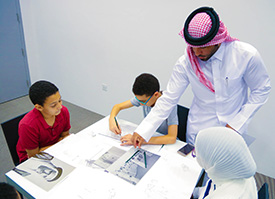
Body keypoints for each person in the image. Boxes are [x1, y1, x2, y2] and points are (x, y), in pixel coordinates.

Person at [131, 6, 271, 147]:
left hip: (233, 130)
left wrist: (237, 123)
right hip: (199, 129)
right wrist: (144, 130)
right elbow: (169, 99)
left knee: (225, 168)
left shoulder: (245, 55)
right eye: (193, 46)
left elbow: (261, 90)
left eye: (203, 47)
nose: (197, 53)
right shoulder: (185, 63)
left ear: (217, 40)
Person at [109, 73, 178, 146]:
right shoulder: (144, 98)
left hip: (165, 144)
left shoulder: (169, 104)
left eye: (143, 101)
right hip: (151, 137)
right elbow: (117, 107)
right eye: (139, 100)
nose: (141, 104)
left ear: (156, 95)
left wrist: (141, 140)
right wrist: (112, 119)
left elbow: (172, 138)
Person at [194, 127, 257, 198]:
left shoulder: (227, 195)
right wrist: (193, 193)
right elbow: (208, 189)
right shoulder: (230, 171)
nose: (195, 154)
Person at [16, 80, 71, 163]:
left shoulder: (63, 111)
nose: (60, 106)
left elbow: (65, 136)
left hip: (55, 150)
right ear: (39, 107)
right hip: (32, 160)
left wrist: (61, 142)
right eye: (53, 105)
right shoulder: (27, 125)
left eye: (59, 100)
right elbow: (34, 156)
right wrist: (60, 143)